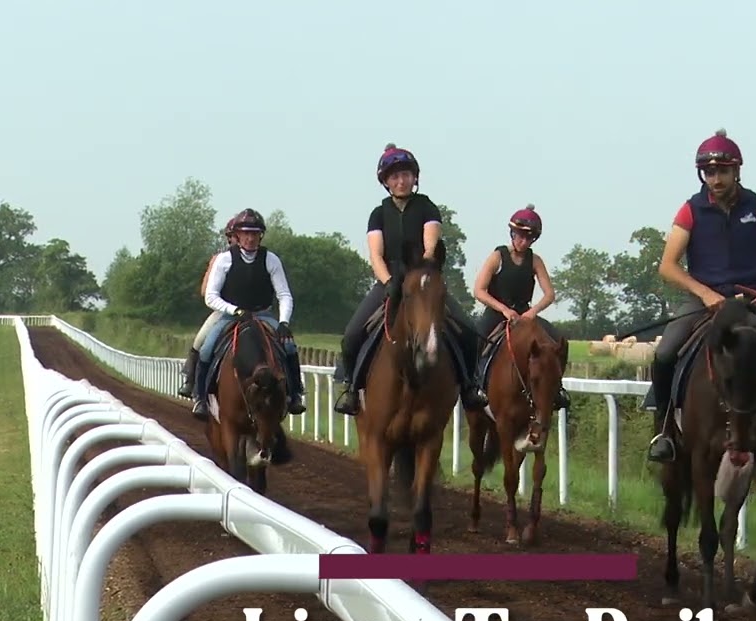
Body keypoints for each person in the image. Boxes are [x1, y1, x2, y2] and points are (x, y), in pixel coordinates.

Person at [644, 129, 756, 472]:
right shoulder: (690, 210)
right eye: (709, 172)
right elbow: (667, 265)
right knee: (663, 354)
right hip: (704, 301)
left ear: (737, 171)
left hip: (752, 302)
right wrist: (704, 293)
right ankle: (664, 432)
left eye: (722, 171)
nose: (716, 179)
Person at [331, 143, 487, 416]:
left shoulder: (427, 208)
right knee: (352, 334)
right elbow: (376, 255)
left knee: (468, 331)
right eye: (394, 176)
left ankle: (470, 386)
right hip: (388, 281)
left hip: (422, 281)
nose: (400, 180)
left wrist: (422, 272)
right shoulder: (378, 214)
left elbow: (430, 245)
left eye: (405, 174)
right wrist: (389, 281)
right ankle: (352, 389)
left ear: (415, 177)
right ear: (386, 182)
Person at [190, 208, 307, 420]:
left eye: (254, 234)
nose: (250, 238)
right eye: (246, 233)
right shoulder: (224, 260)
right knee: (206, 348)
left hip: (262, 314)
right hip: (230, 316)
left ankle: (296, 393)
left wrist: (283, 322)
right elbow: (211, 296)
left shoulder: (271, 259)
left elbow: (284, 294)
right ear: (237, 235)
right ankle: (200, 398)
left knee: (289, 346)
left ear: (260, 235)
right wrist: (235, 310)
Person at [471, 203, 571, 410]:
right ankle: (475, 386)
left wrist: (531, 312)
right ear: (512, 233)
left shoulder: (535, 260)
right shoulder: (498, 256)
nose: (523, 241)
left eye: (529, 238)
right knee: (475, 341)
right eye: (519, 236)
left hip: (525, 315)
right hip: (498, 313)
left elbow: (550, 294)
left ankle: (557, 388)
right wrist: (504, 310)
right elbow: (479, 290)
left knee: (558, 340)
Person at [178, 220, 237, 398]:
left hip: (254, 312)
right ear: (230, 238)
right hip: (224, 311)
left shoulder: (260, 259)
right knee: (200, 341)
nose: (239, 239)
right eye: (235, 236)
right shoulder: (219, 260)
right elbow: (205, 291)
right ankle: (191, 381)